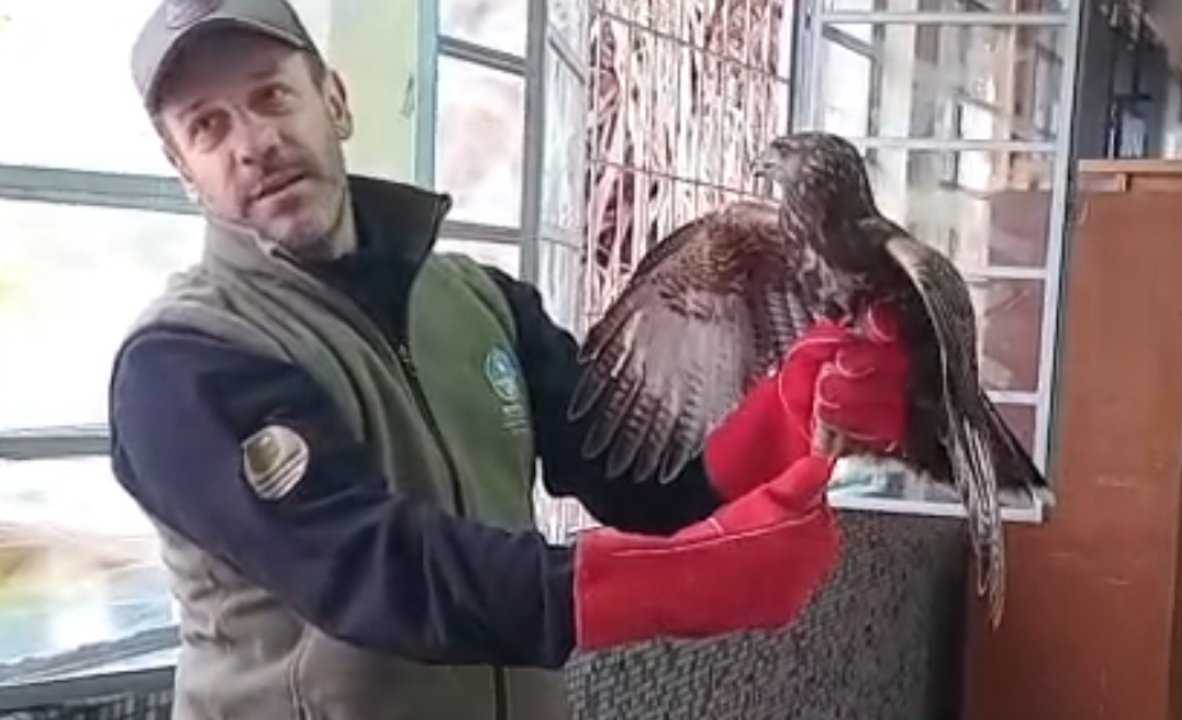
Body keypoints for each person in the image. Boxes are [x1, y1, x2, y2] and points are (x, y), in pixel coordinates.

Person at [108, 1, 913, 718]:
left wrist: (791, 409)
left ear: (336, 101)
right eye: (207, 127)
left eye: (271, 96)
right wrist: (682, 582)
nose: (253, 143)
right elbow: (376, 573)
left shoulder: (481, 302)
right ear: (185, 172)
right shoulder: (181, 365)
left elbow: (637, 481)